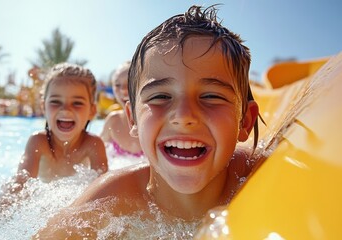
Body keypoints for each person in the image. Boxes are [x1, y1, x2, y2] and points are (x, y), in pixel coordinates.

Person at [34, 5, 259, 238]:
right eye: (160, 96)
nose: (183, 116)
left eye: (211, 96)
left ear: (245, 120)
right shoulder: (108, 201)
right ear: (133, 119)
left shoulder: (256, 173)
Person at [0, 63, 108, 208]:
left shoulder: (93, 144)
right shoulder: (38, 142)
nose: (65, 109)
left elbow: (104, 192)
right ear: (43, 107)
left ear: (92, 111)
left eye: (77, 103)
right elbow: (20, 185)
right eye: (56, 101)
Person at [100, 61, 143, 157]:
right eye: (117, 85)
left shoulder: (156, 121)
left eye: (130, 82)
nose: (123, 90)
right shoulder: (113, 121)